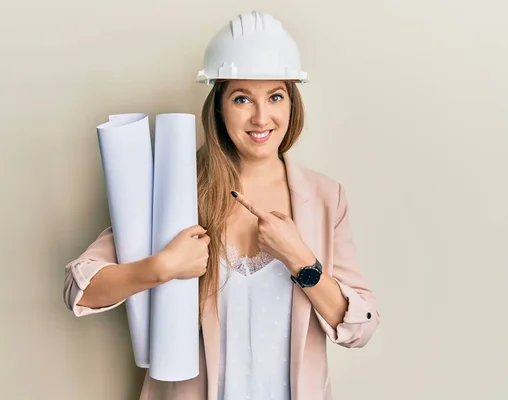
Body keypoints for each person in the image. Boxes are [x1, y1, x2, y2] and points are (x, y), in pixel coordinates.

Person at [63, 10, 380, 400]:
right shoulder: (179, 187)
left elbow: (360, 328)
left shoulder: (325, 198)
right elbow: (81, 287)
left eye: (275, 96)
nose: (261, 117)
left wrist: (302, 262)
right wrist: (162, 267)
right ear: (218, 107)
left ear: (292, 104)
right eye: (242, 98)